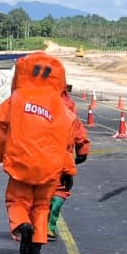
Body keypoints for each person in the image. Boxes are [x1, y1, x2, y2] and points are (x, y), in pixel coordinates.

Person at [0, 52, 77, 254]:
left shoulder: (14, 101)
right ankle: (36, 245)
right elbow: (65, 143)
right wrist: (68, 171)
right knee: (42, 206)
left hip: (20, 165)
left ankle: (22, 224)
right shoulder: (61, 108)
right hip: (50, 168)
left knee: (17, 201)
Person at [47, 86, 90, 240]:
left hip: (32, 154)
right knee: (60, 189)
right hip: (60, 157)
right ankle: (49, 226)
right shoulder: (66, 104)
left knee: (29, 191)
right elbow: (77, 129)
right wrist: (82, 150)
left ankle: (28, 224)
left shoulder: (28, 98)